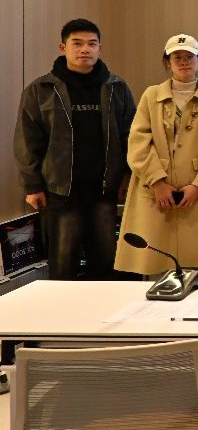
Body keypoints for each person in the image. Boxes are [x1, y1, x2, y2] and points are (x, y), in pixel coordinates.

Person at [14, 18, 136, 280]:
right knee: (63, 262)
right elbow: (27, 139)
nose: (85, 49)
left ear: (100, 48)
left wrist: (128, 174)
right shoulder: (41, 89)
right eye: (77, 43)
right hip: (60, 191)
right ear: (63, 47)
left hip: (104, 189)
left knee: (106, 260)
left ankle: (101, 307)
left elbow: (130, 135)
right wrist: (32, 185)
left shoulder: (117, 87)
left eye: (92, 44)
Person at [115, 34, 198, 276]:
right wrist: (157, 181)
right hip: (154, 191)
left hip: (195, 194)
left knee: (195, 266)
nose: (184, 62)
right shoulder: (151, 95)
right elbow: (138, 141)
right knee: (154, 261)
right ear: (168, 62)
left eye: (189, 57)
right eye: (177, 58)